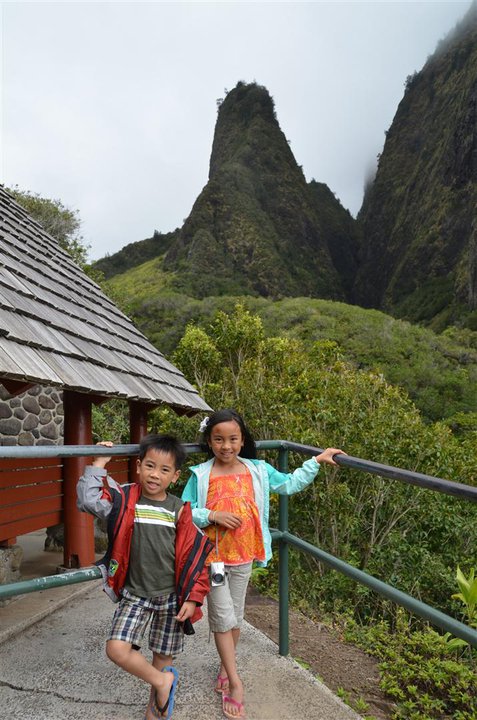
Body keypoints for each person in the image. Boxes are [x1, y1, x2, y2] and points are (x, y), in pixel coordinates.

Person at [181, 408, 345, 720]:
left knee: (236, 616)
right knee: (222, 617)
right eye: (218, 439)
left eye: (232, 439)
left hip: (244, 555)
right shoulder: (200, 474)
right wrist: (212, 515)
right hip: (212, 560)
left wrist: (316, 461)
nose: (226, 446)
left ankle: (224, 668)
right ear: (209, 441)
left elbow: (289, 484)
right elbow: (187, 512)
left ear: (242, 441)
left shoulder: (257, 469)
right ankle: (236, 681)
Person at [77, 433, 213, 720]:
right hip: (135, 594)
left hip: (172, 599)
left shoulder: (179, 510)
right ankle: (163, 682)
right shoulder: (126, 499)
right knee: (117, 648)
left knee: (162, 658)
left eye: (164, 470)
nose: (155, 475)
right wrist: (98, 464)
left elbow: (197, 558)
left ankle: (156, 710)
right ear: (138, 466)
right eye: (150, 466)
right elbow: (89, 500)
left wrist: (194, 598)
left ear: (175, 476)